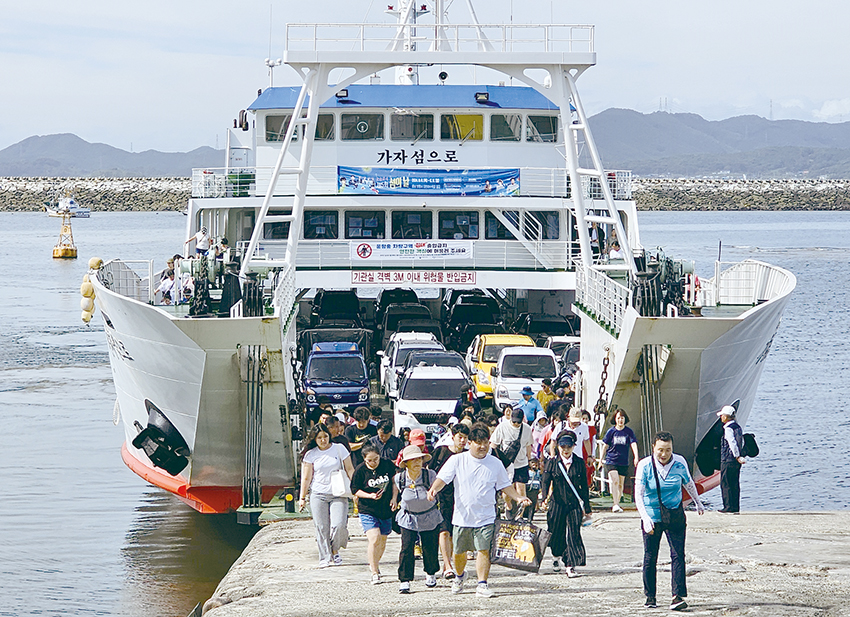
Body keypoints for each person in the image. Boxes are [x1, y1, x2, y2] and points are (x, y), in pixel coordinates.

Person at [427, 424, 532, 598]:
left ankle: (482, 583)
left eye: (485, 442)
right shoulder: (457, 460)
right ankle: (459, 577)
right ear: (470, 443)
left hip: (486, 516)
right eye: (478, 442)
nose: (482, 446)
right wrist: (433, 489)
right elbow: (442, 478)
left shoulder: (495, 463)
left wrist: (518, 497)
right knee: (459, 553)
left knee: (483, 550)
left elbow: (505, 485)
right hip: (462, 516)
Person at [635, 431, 705, 611]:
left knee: (677, 554)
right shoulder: (645, 465)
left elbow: (688, 483)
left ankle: (677, 596)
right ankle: (650, 596)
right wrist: (645, 518)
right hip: (653, 516)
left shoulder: (679, 462)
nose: (664, 454)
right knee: (650, 556)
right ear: (653, 448)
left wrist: (697, 502)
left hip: (675, 514)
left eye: (668, 450)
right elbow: (639, 494)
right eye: (660, 450)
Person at [298, 424, 355, 568]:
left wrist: (355, 491)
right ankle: (325, 556)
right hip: (318, 493)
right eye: (319, 438)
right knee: (322, 527)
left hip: (338, 493)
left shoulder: (339, 448)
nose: (323, 440)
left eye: (325, 436)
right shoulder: (311, 454)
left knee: (339, 525)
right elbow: (306, 477)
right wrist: (302, 497)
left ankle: (335, 550)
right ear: (315, 439)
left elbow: (350, 469)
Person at [391, 445, 443, 593]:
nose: (416, 462)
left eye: (419, 458)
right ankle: (405, 580)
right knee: (406, 548)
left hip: (429, 515)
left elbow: (439, 487)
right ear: (405, 463)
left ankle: (431, 573)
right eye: (412, 460)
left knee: (430, 546)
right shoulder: (400, 478)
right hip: (408, 517)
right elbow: (396, 488)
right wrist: (395, 499)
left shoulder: (430, 475)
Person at [542, 431, 592, 577]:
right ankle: (556, 556)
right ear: (558, 446)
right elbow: (545, 481)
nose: (565, 449)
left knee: (574, 534)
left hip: (574, 504)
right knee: (556, 532)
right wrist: (544, 497)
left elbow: (584, 485)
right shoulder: (552, 462)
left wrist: (587, 507)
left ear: (574, 446)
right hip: (557, 502)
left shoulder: (578, 462)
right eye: (562, 446)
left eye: (569, 446)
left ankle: (570, 565)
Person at [429, 423, 470, 580]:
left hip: (462, 497)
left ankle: (456, 563)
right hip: (443, 497)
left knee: (458, 533)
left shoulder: (468, 455)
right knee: (444, 531)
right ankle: (447, 565)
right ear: (453, 437)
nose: (462, 441)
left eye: (465, 438)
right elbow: (430, 472)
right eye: (460, 437)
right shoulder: (441, 452)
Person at [350, 443, 395, 584]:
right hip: (367, 508)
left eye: (376, 459)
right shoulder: (360, 470)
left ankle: (376, 562)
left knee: (382, 540)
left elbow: (394, 482)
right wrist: (369, 496)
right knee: (374, 538)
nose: (374, 463)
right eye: (370, 460)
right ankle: (374, 571)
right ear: (364, 459)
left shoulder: (387, 465)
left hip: (385, 508)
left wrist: (394, 498)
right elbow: (355, 490)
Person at [490, 407, 533, 519]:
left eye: (518, 422)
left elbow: (528, 446)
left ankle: (520, 515)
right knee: (506, 490)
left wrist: (530, 460)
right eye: (514, 421)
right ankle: (508, 507)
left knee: (521, 489)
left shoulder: (527, 429)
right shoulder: (502, 427)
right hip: (507, 464)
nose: (516, 424)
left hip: (521, 463)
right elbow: (493, 444)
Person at [599, 408, 639, 513]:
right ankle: (615, 504)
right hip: (611, 460)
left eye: (622, 418)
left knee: (621, 483)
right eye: (618, 418)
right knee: (615, 480)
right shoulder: (611, 432)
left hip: (623, 461)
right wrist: (600, 459)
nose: (620, 420)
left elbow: (633, 443)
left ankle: (617, 502)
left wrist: (636, 457)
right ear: (615, 419)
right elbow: (605, 446)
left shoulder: (628, 432)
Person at [717, 404, 746, 513]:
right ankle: (735, 506)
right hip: (736, 461)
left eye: (722, 415)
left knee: (726, 483)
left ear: (726, 416)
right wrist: (739, 457)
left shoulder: (728, 428)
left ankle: (728, 506)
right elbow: (739, 442)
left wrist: (736, 455)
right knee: (735, 483)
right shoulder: (737, 427)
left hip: (728, 459)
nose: (721, 417)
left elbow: (732, 443)